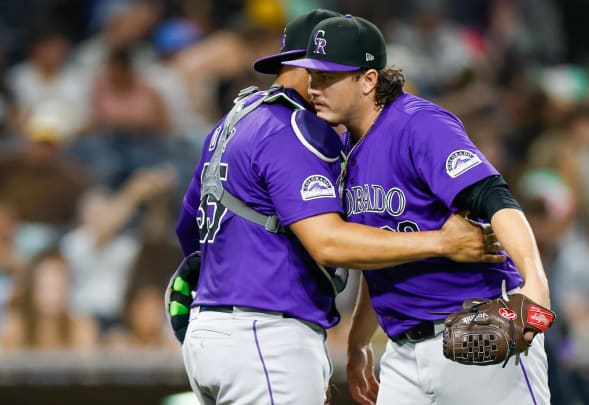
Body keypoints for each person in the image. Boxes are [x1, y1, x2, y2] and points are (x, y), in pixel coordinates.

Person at [175, 9, 503, 405]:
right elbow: (328, 243)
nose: (320, 85)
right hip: (265, 332)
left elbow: (189, 233)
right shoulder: (291, 129)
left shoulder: (231, 123)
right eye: (320, 71)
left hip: (209, 335)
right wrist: (442, 242)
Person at [282, 14, 553, 405]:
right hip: (403, 354)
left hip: (476, 335)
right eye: (313, 75)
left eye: (329, 77)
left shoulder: (418, 125)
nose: (315, 87)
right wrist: (358, 341)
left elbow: (496, 198)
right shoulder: (345, 150)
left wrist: (536, 282)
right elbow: (378, 251)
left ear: (368, 80)